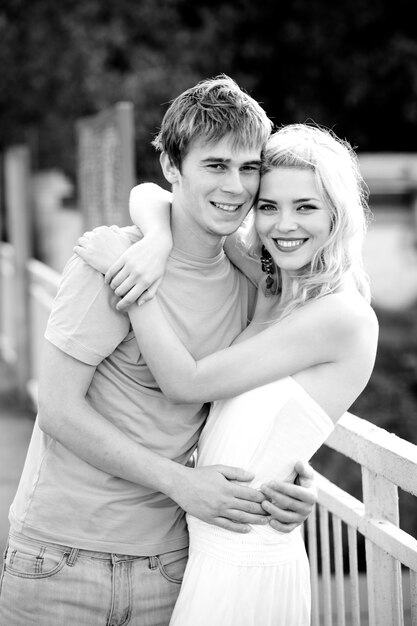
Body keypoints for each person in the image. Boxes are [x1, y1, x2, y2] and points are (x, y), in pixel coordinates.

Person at [0, 76, 317, 626]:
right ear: (173, 168)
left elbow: (236, 406)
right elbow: (57, 409)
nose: (236, 187)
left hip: (173, 563)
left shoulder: (250, 282)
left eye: (248, 169)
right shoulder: (113, 260)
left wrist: (290, 477)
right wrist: (180, 483)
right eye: (215, 166)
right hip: (61, 556)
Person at [74, 122, 379, 625]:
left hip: (248, 557)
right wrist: (154, 241)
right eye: (268, 206)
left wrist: (128, 275)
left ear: (338, 213)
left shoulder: (338, 315)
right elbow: (152, 193)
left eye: (306, 207)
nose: (284, 225)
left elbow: (185, 383)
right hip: (210, 546)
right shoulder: (272, 280)